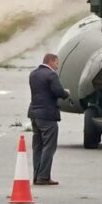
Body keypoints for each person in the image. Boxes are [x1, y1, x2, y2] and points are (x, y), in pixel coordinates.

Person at [27, 53, 70, 185]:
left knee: (37, 146)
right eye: (57, 63)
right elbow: (58, 92)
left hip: (34, 114)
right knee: (49, 146)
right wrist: (66, 93)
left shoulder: (33, 74)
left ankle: (36, 175)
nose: (57, 66)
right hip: (47, 115)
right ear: (51, 61)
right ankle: (44, 177)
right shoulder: (51, 75)